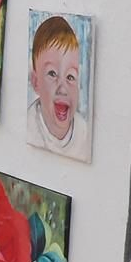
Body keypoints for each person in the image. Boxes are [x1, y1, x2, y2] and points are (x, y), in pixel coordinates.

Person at [26, 15, 92, 163]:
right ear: (36, 83)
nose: (62, 88)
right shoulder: (30, 127)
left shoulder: (84, 133)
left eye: (70, 77)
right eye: (52, 74)